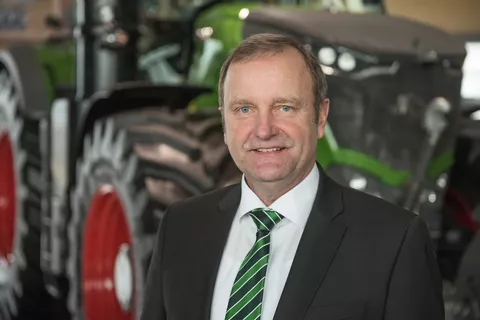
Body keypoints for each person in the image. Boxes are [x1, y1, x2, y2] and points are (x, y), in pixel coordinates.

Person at [140, 33, 445, 320]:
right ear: (224, 121)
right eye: (244, 109)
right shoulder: (181, 227)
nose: (263, 130)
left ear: (321, 117)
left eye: (285, 107)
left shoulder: (395, 241)